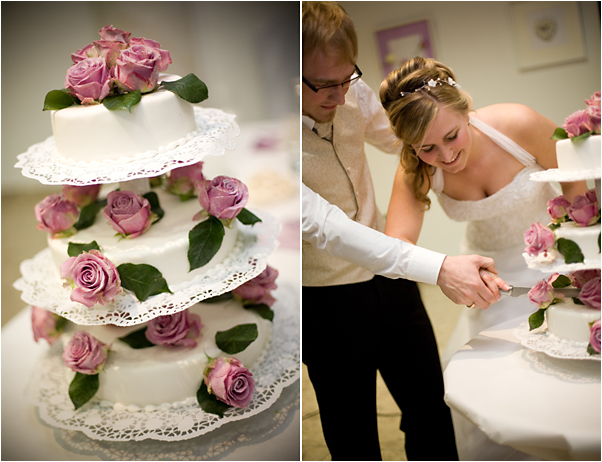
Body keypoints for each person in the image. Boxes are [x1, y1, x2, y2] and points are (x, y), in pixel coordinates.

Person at [302, 2, 506, 460]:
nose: (339, 95)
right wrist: (439, 268)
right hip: (324, 300)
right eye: (323, 85)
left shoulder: (351, 91)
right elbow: (326, 227)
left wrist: (460, 143)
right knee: (352, 434)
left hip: (391, 279)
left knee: (432, 410)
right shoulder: (268, 137)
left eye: (346, 78)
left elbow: (409, 136)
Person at [379, 57, 587, 369]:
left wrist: (577, 252)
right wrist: (445, 271)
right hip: (489, 273)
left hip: (556, 256)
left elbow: (573, 178)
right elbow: (396, 245)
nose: (446, 156)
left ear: (466, 112)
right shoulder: (415, 168)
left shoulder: (519, 124)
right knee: (501, 366)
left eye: (451, 136)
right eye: (426, 147)